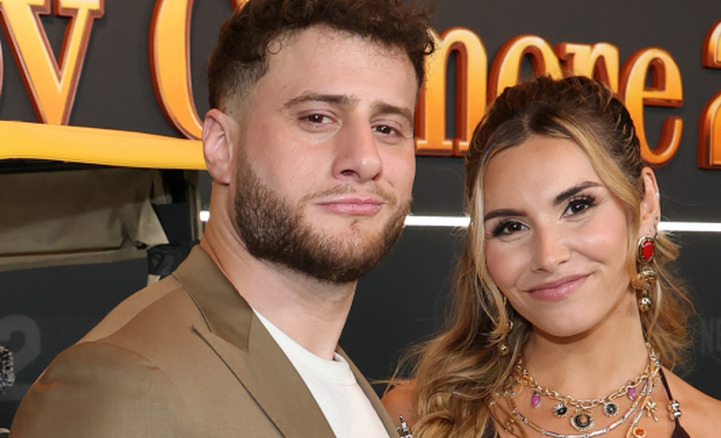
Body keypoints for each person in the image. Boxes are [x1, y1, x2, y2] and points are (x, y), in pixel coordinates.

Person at [11, 0, 433, 436]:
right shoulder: (124, 382)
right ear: (221, 147)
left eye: (387, 128)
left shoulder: (347, 386)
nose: (365, 159)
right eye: (317, 118)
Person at [382, 76, 721, 438]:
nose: (549, 256)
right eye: (511, 227)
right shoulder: (419, 419)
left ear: (646, 204)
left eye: (577, 206)